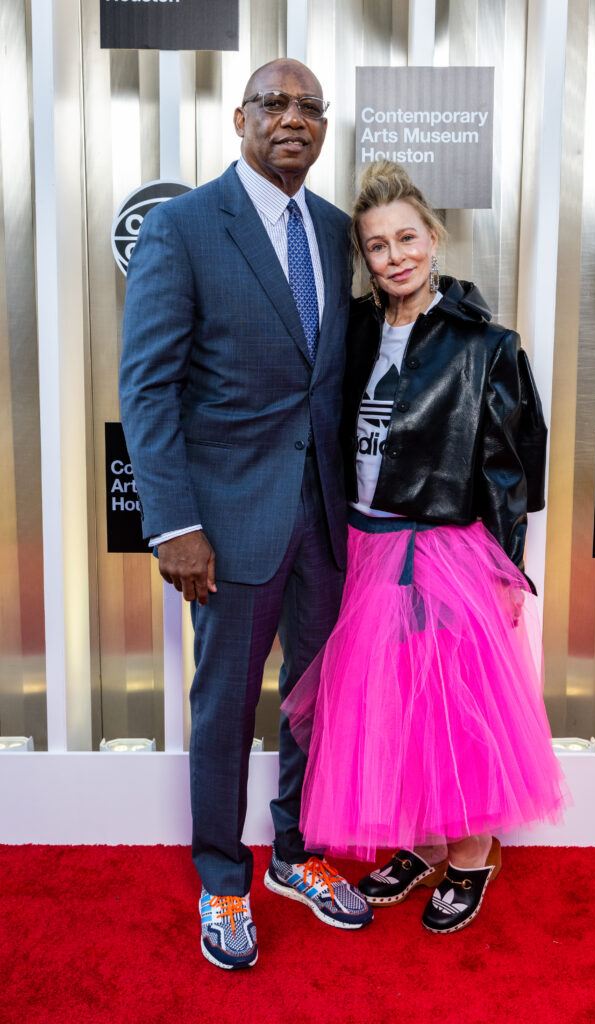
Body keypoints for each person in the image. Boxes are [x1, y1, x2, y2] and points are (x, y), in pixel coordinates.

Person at [119, 59, 373, 972]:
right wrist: (174, 524)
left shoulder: (340, 232)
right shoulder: (184, 229)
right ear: (239, 118)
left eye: (310, 107)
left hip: (325, 521)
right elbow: (147, 389)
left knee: (314, 702)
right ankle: (223, 877)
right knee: (226, 706)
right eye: (275, 103)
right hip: (223, 527)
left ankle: (295, 856)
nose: (293, 118)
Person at [283, 160, 568, 935]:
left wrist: (508, 566)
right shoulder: (350, 329)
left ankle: (471, 853)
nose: (394, 256)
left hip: (446, 548)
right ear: (364, 257)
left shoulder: (486, 344)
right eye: (376, 246)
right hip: (365, 547)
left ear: (433, 239)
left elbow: (510, 470)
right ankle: (420, 840)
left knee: (456, 703)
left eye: (406, 237)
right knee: (394, 705)